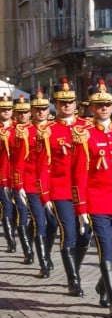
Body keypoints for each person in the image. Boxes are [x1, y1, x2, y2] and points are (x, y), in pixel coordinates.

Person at [71, 80, 112, 318]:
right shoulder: (85, 135)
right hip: (98, 202)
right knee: (106, 248)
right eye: (99, 105)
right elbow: (79, 172)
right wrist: (81, 206)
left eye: (107, 104)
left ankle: (102, 285)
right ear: (91, 108)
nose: (104, 108)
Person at [38, 78, 92, 298]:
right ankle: (74, 280)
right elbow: (43, 166)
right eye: (62, 102)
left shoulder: (87, 127)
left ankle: (75, 268)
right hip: (61, 190)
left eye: (70, 102)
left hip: (87, 192)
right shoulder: (48, 130)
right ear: (55, 105)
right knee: (69, 234)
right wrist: (45, 195)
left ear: (76, 104)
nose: (66, 106)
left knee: (85, 235)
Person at [13, 89, 56, 277]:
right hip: (32, 184)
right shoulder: (25, 132)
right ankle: (44, 262)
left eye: (43, 108)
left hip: (54, 186)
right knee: (40, 222)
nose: (40, 112)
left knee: (53, 224)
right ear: (31, 110)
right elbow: (19, 161)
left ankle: (42, 248)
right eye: (36, 109)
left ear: (48, 110)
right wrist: (19, 185)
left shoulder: (56, 129)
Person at [7, 96, 34, 264]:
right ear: (14, 115)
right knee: (20, 214)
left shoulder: (38, 130)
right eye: (20, 113)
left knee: (37, 218)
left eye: (26, 112)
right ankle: (28, 251)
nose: (23, 115)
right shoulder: (8, 132)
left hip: (34, 180)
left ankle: (29, 245)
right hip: (12, 179)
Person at [0, 94, 18, 254]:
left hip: (18, 173)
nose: (5, 112)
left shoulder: (18, 128)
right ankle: (10, 239)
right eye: (2, 109)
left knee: (16, 207)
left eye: (8, 109)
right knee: (6, 206)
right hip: (1, 173)